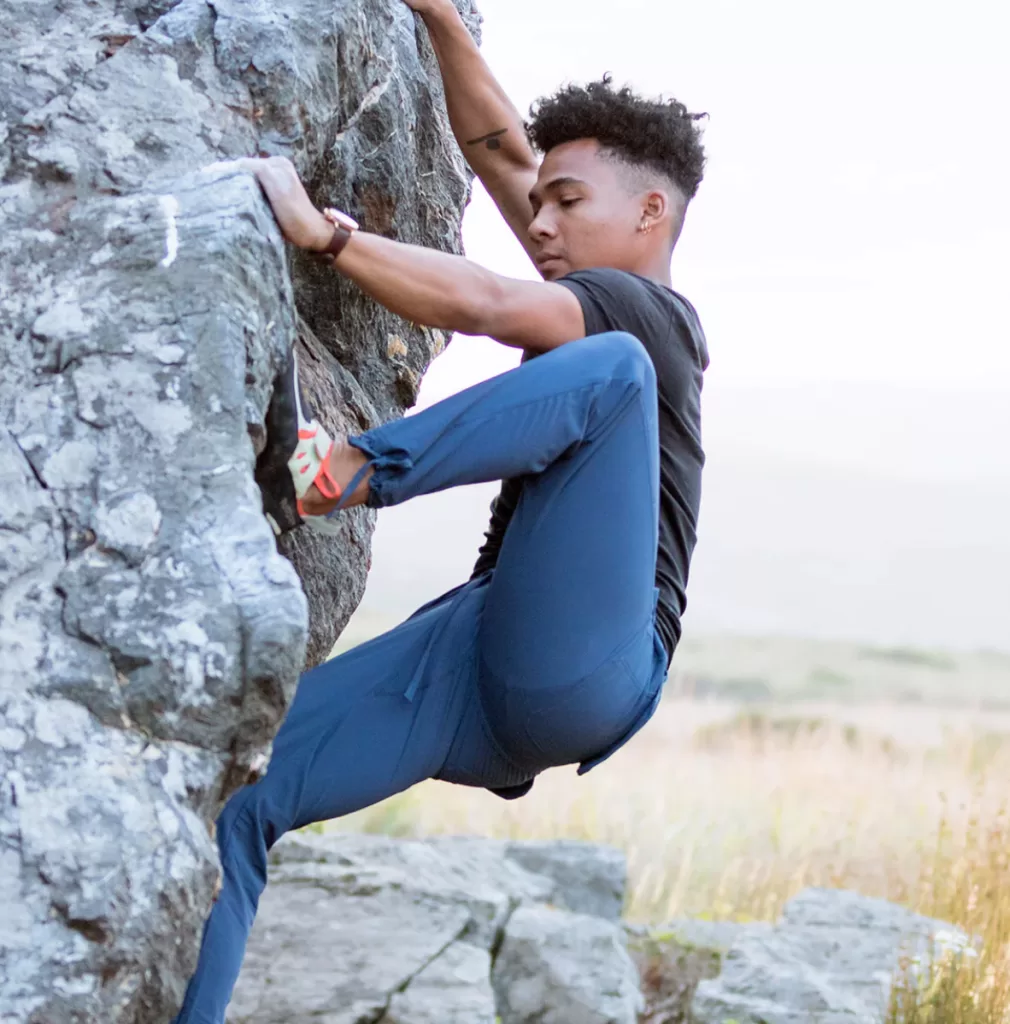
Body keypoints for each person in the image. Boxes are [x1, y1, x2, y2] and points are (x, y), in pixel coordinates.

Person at [173, 0, 708, 1019]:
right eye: (535, 204)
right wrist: (435, 19)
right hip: (482, 654)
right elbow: (503, 150)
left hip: (592, 662)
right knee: (241, 800)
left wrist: (323, 235)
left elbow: (485, 303)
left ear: (649, 215)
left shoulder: (649, 318)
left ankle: (339, 473)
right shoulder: (586, 267)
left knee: (612, 376)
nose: (536, 221)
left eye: (565, 202)